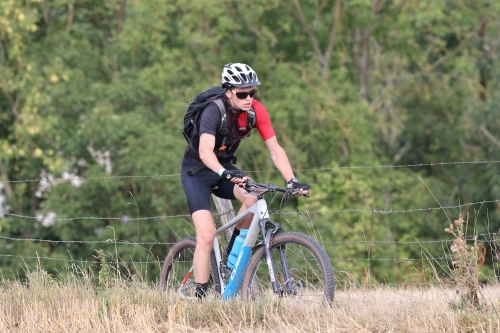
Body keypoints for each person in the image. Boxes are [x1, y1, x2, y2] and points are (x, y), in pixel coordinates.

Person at [181, 63, 309, 299]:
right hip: (197, 172)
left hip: (225, 168)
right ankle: (198, 297)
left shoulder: (256, 111)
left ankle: (231, 258)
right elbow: (205, 152)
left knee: (253, 196)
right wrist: (224, 173)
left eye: (252, 93)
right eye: (242, 94)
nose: (249, 98)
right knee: (207, 235)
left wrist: (292, 180)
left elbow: (275, 150)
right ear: (228, 91)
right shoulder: (213, 110)